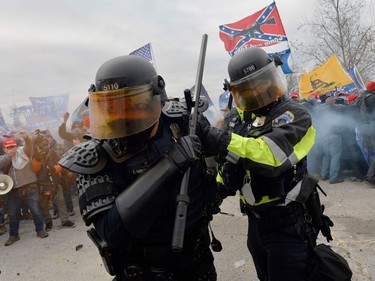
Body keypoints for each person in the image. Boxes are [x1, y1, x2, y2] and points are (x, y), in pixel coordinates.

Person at [59, 55, 219, 280]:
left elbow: (225, 151)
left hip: (199, 261)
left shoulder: (181, 122)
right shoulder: (95, 155)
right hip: (145, 272)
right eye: (112, 108)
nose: (122, 116)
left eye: (131, 106)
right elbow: (111, 232)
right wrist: (171, 164)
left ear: (154, 99)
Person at [196, 47, 332, 280]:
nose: (259, 91)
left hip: (288, 223)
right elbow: (227, 168)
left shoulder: (295, 115)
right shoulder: (234, 120)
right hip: (255, 223)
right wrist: (210, 194)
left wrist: (220, 139)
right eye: (249, 88)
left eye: (263, 82)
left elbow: (271, 156)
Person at [0, 132, 48, 246]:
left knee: (36, 210)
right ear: (4, 148)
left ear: (17, 146)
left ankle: (40, 230)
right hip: (13, 190)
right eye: (8, 147)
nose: (11, 149)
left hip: (30, 186)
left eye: (13, 146)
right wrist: (8, 156)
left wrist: (27, 138)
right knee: (13, 214)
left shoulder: (24, 152)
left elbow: (29, 147)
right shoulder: (3, 158)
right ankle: (13, 235)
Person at [32, 130, 75, 231]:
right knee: (44, 206)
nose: (45, 146)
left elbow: (60, 162)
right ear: (38, 145)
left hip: (54, 182)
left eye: (46, 144)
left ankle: (65, 221)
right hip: (42, 184)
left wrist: (57, 168)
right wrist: (37, 159)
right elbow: (34, 169)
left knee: (61, 201)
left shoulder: (52, 153)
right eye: (42, 145)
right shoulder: (35, 156)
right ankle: (48, 222)